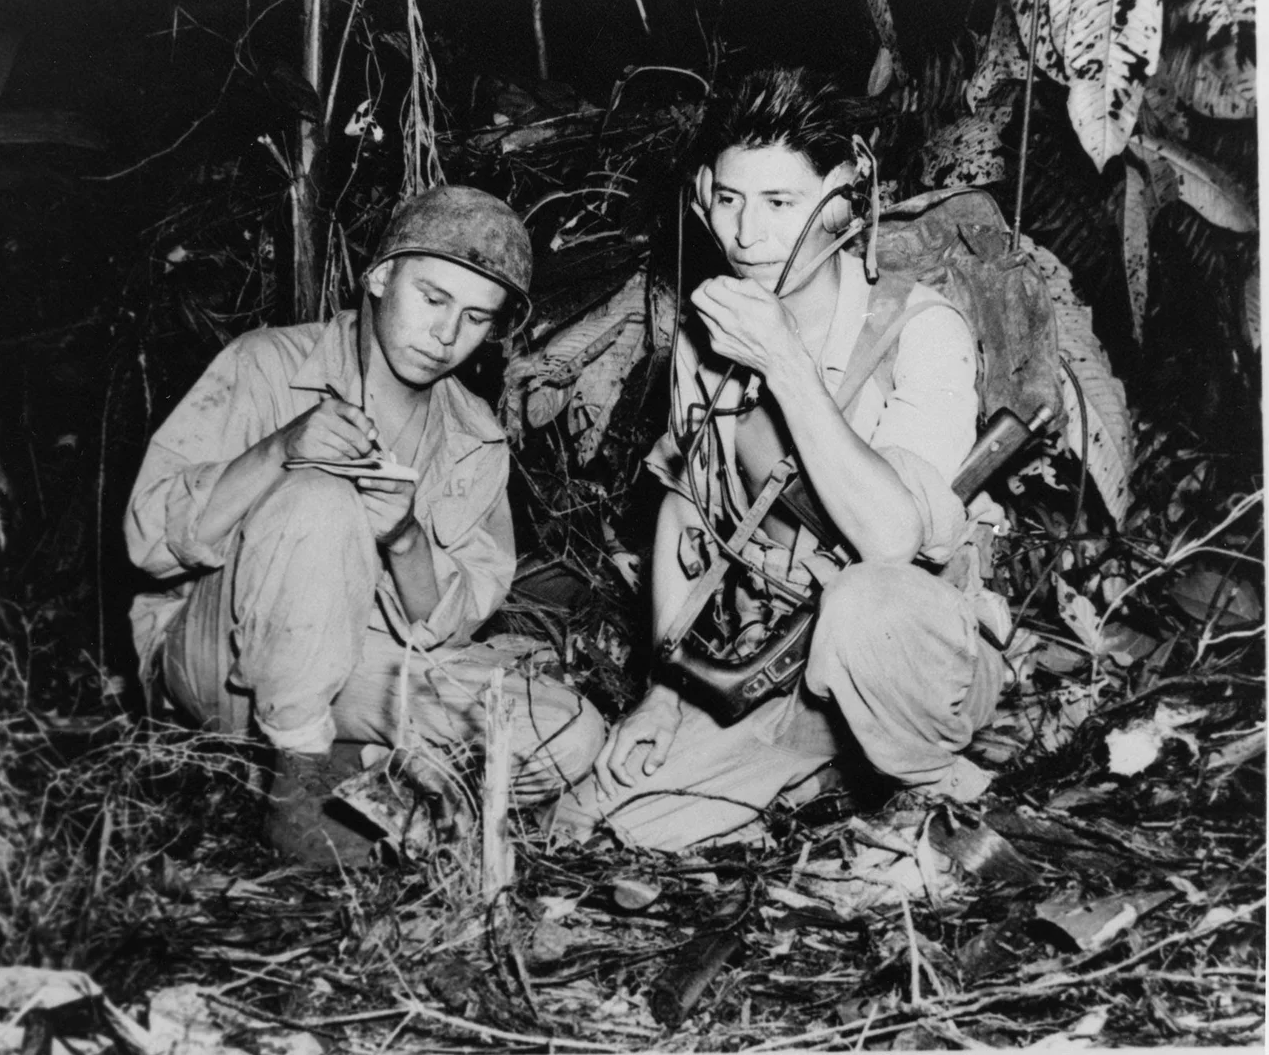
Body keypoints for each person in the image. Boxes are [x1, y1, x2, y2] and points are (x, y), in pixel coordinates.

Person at [552, 68, 1008, 852]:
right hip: (779, 658)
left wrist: (788, 369)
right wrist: (666, 691)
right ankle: (831, 773)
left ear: (842, 201)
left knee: (869, 603)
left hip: (913, 658)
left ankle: (933, 796)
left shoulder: (917, 331)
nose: (746, 235)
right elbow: (685, 509)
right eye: (727, 201)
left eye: (779, 204)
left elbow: (893, 540)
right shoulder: (707, 339)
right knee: (622, 823)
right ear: (701, 195)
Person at [126, 186, 605, 866]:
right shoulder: (267, 364)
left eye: (475, 318)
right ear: (380, 276)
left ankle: (361, 769)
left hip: (355, 670)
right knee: (319, 496)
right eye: (432, 299)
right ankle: (298, 791)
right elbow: (149, 546)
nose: (446, 335)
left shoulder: (473, 436)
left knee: (566, 733)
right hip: (218, 662)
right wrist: (280, 449)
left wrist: (405, 539)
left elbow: (452, 626)